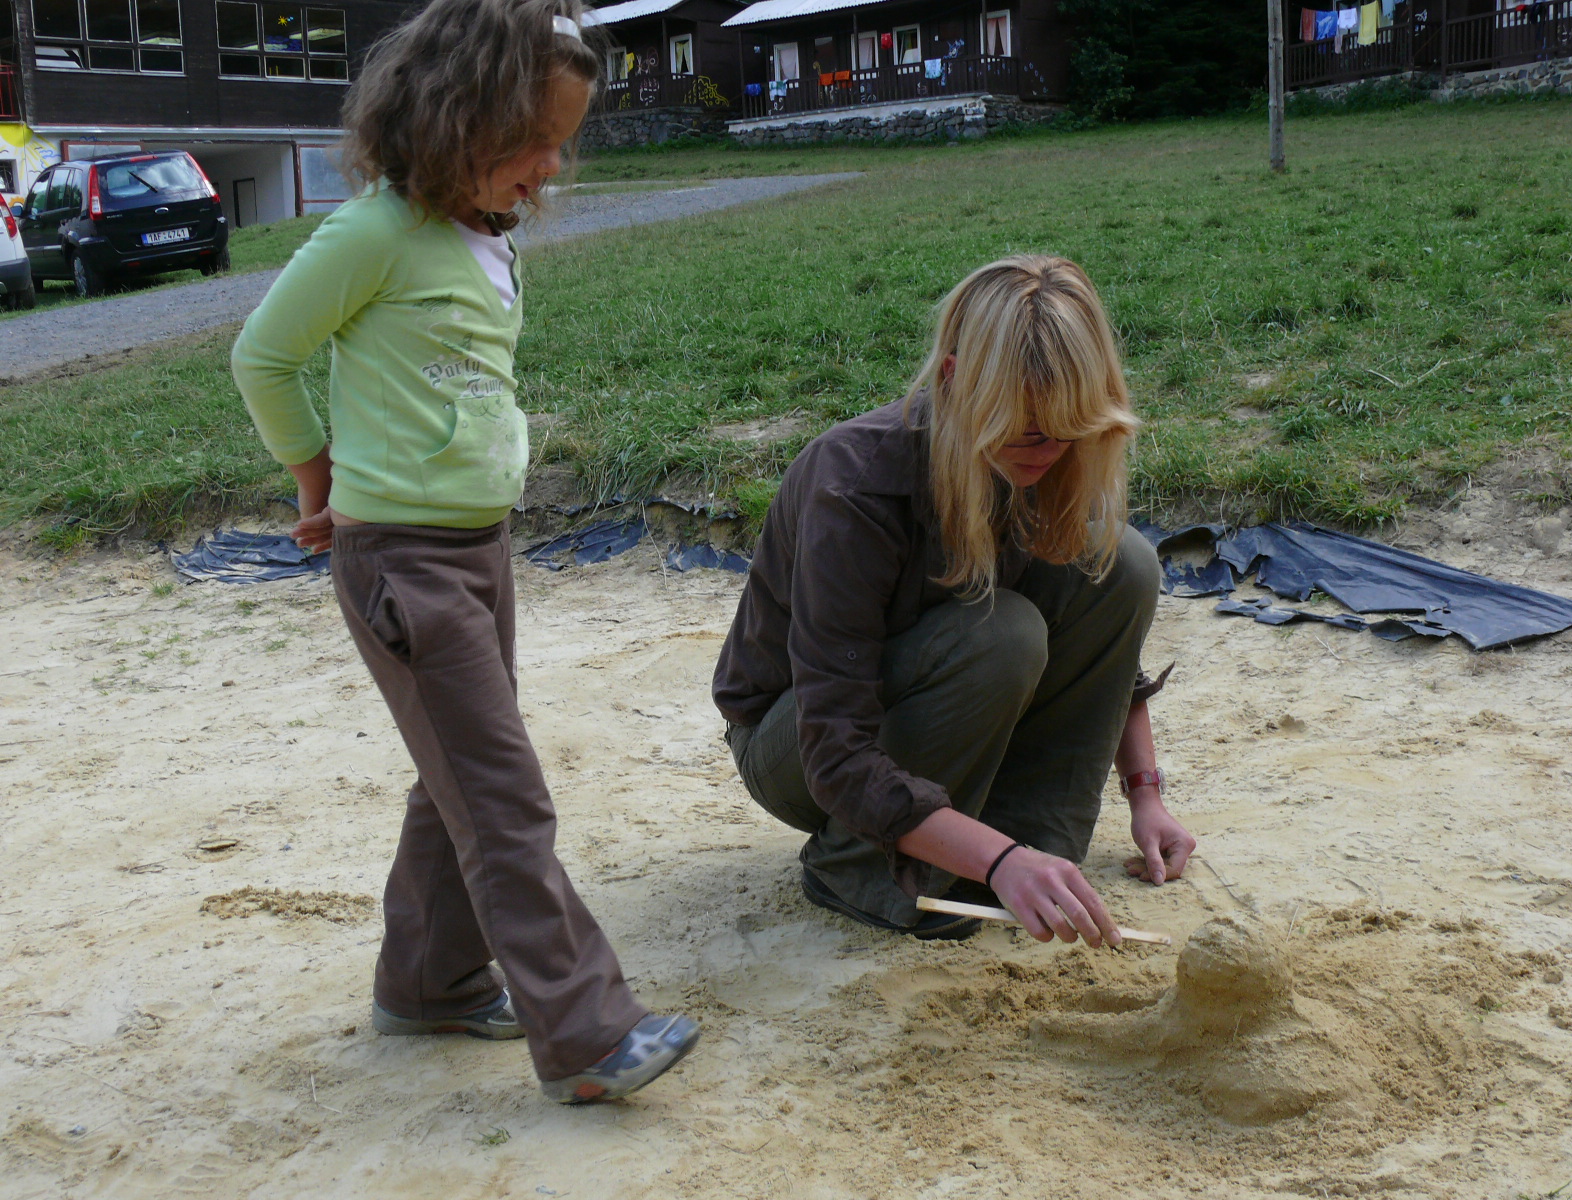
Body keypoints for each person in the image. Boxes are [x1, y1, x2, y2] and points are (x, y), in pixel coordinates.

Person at [230, 0, 697, 1104]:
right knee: (502, 796)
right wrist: (317, 475)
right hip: (402, 562)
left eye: (561, 143)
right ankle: (586, 1035)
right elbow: (264, 354)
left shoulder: (482, 234)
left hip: (479, 549)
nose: (549, 167)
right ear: (448, 120)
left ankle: (429, 982)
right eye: (528, 140)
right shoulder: (373, 234)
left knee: (462, 773)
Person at [713, 256, 1197, 945]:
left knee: (1124, 563)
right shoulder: (853, 488)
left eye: (1069, 425)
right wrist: (998, 861)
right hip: (799, 750)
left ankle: (1028, 849)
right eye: (1023, 426)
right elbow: (835, 750)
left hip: (915, 713)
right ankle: (858, 870)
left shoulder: (1053, 451)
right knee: (1003, 634)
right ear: (952, 379)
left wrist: (1146, 796)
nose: (1047, 448)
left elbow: (1110, 645)